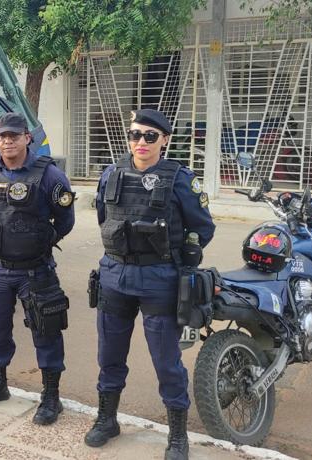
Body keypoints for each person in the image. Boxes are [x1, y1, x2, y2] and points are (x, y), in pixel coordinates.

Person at [85, 109, 215, 460]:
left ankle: (177, 436)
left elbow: (203, 227)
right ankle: (107, 419)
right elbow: (104, 216)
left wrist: (187, 250)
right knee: (109, 355)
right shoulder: (111, 173)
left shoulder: (181, 179)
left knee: (166, 360)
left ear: (165, 141)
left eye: (149, 136)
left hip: (159, 278)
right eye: (135, 134)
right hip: (114, 275)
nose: (140, 142)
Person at [0, 113, 75, 426]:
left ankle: (51, 396)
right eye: (2, 136)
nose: (8, 141)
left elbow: (65, 220)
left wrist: (41, 241)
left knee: (47, 330)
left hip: (35, 270)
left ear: (27, 138)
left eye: (14, 135)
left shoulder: (50, 175)